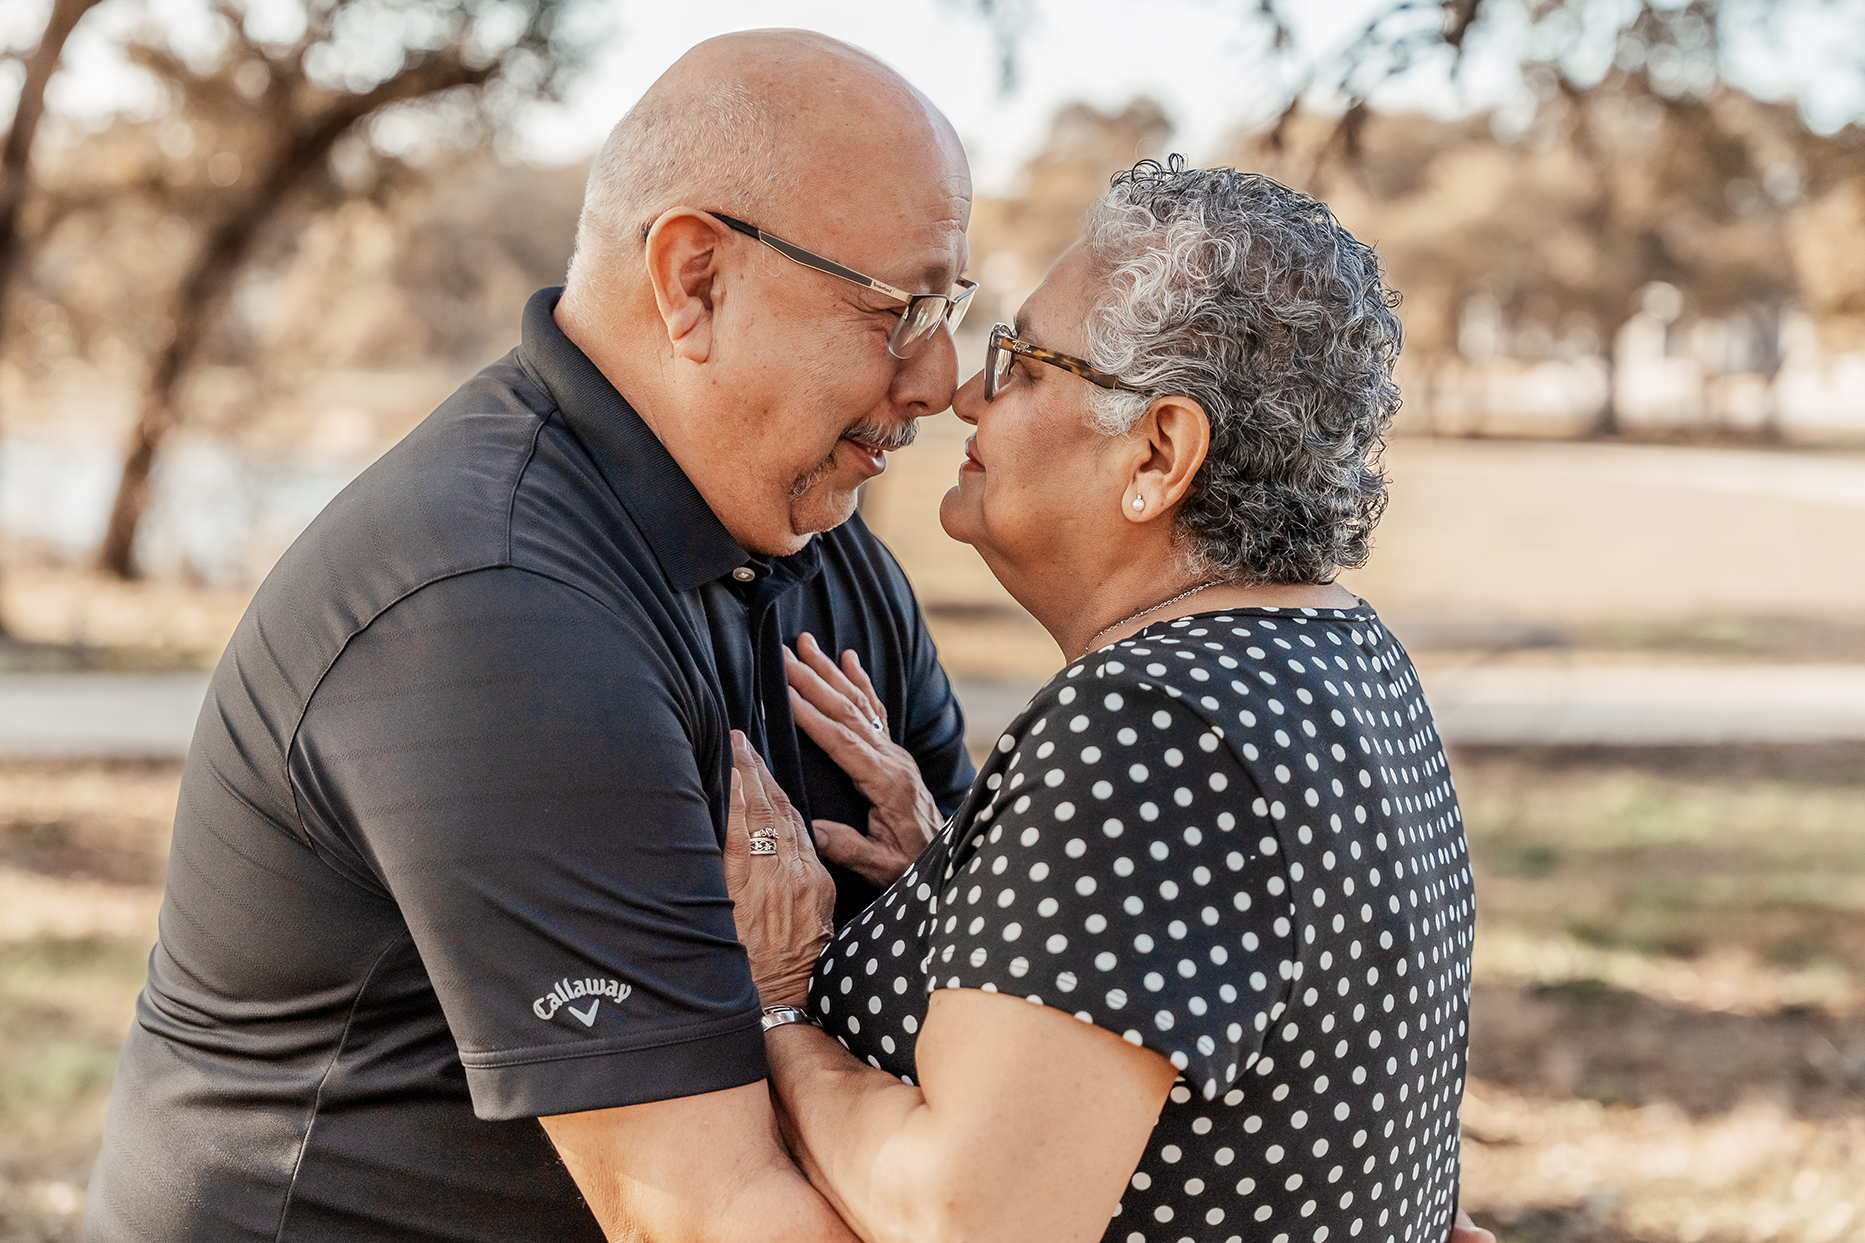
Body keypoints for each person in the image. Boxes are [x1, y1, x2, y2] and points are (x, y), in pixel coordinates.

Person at [86, 31, 978, 1243]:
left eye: (951, 306)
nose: (941, 376)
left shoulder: (827, 546)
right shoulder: (491, 605)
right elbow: (714, 1218)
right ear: (693, 281)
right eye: (899, 307)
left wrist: (933, 883)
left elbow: (1000, 1066)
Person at [725, 160, 1481, 1243]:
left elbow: (969, 1220)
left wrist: (781, 996)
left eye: (1024, 364)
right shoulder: (1341, 655)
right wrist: (959, 892)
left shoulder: (1153, 725)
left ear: (1159, 451)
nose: (964, 393)